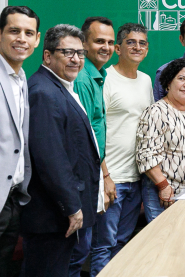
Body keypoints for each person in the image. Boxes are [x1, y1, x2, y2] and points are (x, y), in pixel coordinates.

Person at [21, 25, 101, 277]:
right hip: (52, 216)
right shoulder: (43, 92)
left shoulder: (60, 87)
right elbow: (50, 158)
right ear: (47, 56)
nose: (76, 59)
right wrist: (71, 207)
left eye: (80, 53)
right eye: (67, 52)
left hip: (58, 215)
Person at [89, 24, 154, 275]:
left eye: (142, 43)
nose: (137, 47)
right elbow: (94, 131)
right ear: (118, 48)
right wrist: (105, 176)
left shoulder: (146, 80)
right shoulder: (104, 79)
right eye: (131, 42)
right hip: (111, 178)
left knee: (123, 243)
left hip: (136, 178)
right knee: (103, 245)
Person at [137, 57, 185, 222]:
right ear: (168, 82)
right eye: (181, 79)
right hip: (165, 193)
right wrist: (163, 186)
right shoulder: (155, 112)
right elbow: (146, 155)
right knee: (164, 236)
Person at [0, 6, 40, 274]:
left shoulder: (21, 77)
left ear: (37, 39)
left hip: (12, 199)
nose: (22, 38)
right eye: (14, 31)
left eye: (28, 33)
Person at [69, 17, 116, 277]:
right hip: (83, 176)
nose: (106, 47)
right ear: (84, 44)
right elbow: (84, 136)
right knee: (76, 254)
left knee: (81, 250)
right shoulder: (83, 79)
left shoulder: (97, 75)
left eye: (110, 42)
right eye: (99, 41)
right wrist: (105, 176)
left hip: (91, 172)